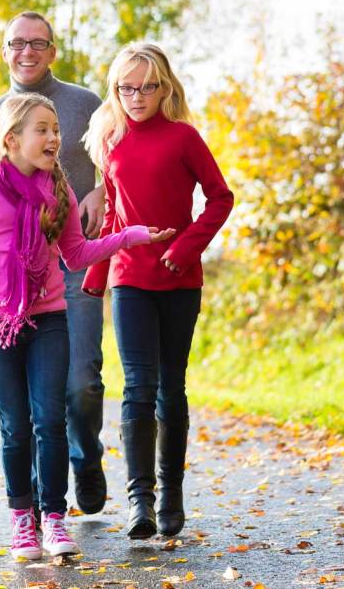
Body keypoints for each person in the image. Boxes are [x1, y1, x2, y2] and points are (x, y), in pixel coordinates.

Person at [0, 93, 173, 559]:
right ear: (11, 139)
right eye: (42, 129)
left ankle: (54, 519)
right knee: (15, 426)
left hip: (48, 319)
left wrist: (132, 236)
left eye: (55, 130)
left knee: (49, 421)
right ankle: (22, 520)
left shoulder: (56, 191)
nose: (53, 138)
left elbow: (77, 254)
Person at [0, 11, 112, 515]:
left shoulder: (86, 104)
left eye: (38, 43)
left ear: (53, 50)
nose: (27, 52)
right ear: (5, 50)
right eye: (17, 43)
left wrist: (101, 192)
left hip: (74, 258)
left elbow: (121, 159)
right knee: (33, 405)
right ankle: (45, 506)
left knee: (81, 382)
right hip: (18, 274)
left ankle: (86, 457)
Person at [81, 42, 234, 539]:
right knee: (137, 387)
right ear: (116, 90)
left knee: (172, 386)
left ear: (163, 87)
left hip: (179, 278)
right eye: (127, 87)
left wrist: (187, 248)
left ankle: (171, 494)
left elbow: (220, 198)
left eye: (147, 86)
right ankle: (139, 501)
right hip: (130, 276)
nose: (137, 96)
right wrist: (97, 271)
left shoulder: (184, 137)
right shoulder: (110, 140)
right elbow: (114, 214)